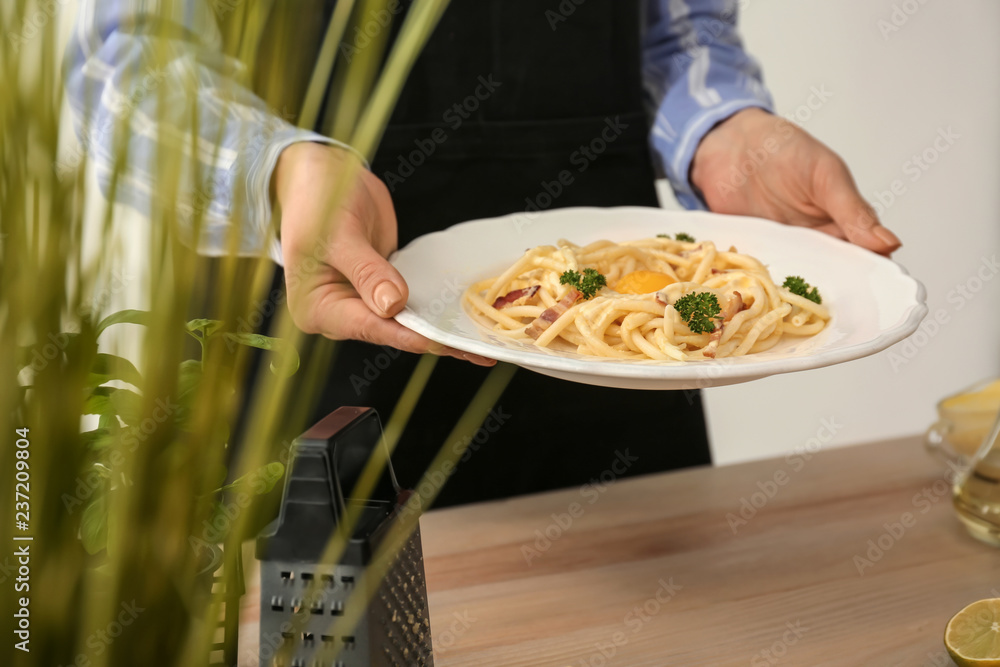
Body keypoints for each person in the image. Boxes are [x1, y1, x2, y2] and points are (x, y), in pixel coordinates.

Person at [67, 0, 900, 504]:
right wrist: (274, 169)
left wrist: (722, 130)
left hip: (621, 394)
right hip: (308, 357)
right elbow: (122, 67)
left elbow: (676, 36)